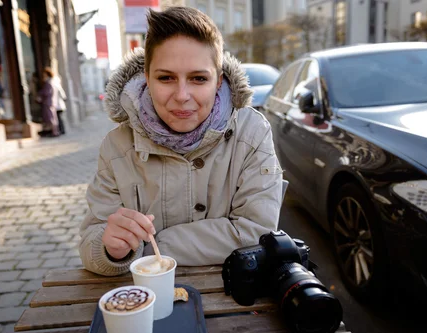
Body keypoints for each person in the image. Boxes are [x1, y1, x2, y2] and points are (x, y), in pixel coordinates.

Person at [79, 7, 283, 276]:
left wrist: (149, 248)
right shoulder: (116, 146)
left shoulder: (252, 133)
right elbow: (91, 242)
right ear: (147, 80)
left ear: (218, 80)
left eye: (198, 79)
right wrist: (110, 249)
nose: (182, 95)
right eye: (166, 78)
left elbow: (257, 231)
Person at [37, 67, 60, 137]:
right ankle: (55, 131)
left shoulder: (49, 82)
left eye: (44, 74)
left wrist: (40, 94)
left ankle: (54, 132)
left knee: (50, 118)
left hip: (48, 102)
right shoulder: (52, 82)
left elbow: (46, 92)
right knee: (53, 118)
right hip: (52, 102)